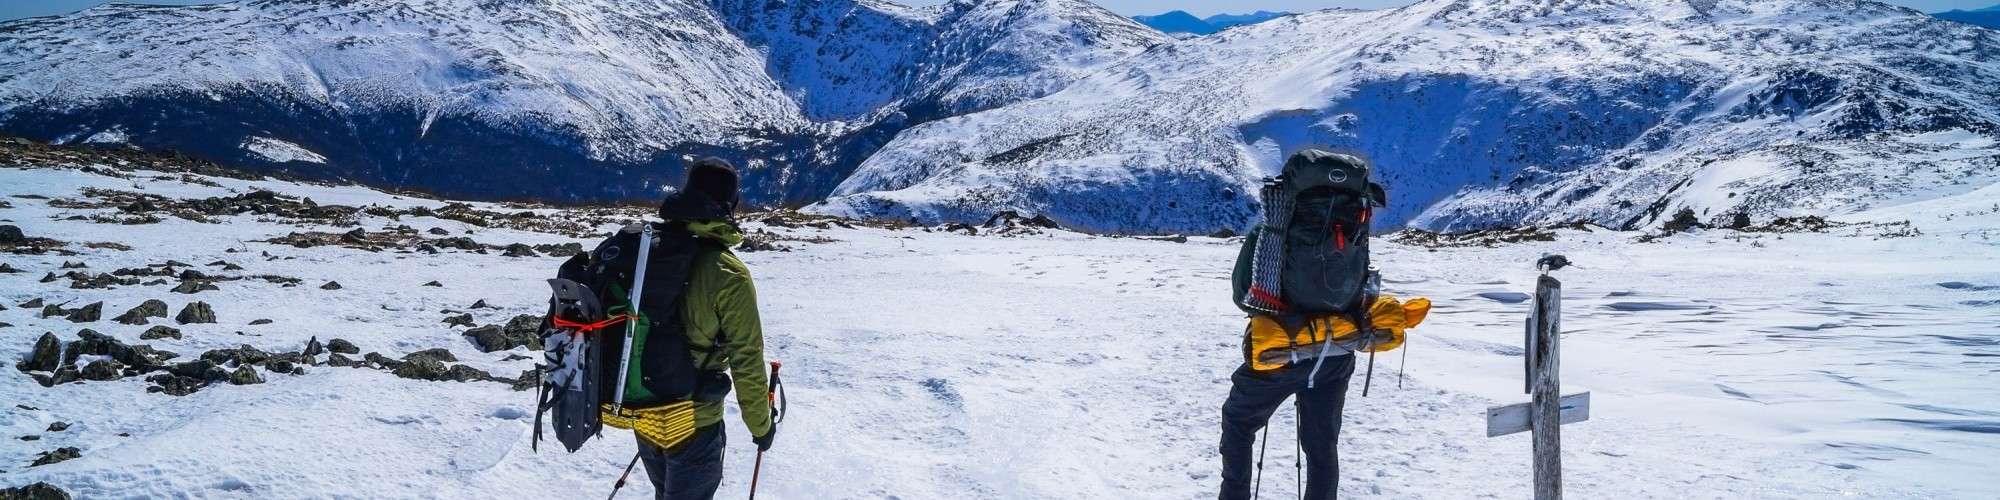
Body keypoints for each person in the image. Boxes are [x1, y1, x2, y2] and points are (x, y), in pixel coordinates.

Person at [1219, 149, 1384, 500]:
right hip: (1337, 352)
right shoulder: (1355, 223)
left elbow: (1242, 293)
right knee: (1322, 446)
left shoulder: (1272, 232)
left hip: (1281, 350)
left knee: (1238, 421)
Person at [632, 157, 775, 500]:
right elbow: (747, 358)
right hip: (693, 419)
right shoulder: (728, 274)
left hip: (644, 408)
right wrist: (761, 425)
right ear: (731, 204)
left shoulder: (648, 253)